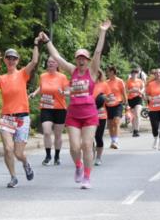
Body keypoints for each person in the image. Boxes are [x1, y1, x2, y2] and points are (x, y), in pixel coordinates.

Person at [39, 20, 110, 190]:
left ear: (88, 60)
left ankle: (87, 177)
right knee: (74, 147)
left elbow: (98, 51)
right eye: (79, 58)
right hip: (73, 115)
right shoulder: (72, 71)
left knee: (87, 145)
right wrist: (47, 41)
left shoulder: (92, 72)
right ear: (76, 60)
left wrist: (102, 32)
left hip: (90, 114)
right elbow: (57, 57)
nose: (81, 60)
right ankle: (78, 166)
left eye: (84, 58)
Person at [0, 41, 41, 188]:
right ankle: (13, 177)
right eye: (8, 58)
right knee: (7, 148)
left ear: (17, 61)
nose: (11, 61)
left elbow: (34, 61)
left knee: (18, 153)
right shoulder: (2, 78)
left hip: (22, 117)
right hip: (7, 118)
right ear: (4, 60)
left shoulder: (22, 73)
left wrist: (36, 43)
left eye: (14, 58)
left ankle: (25, 163)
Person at [30, 57, 69, 166]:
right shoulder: (43, 76)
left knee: (58, 135)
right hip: (46, 107)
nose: (50, 63)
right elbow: (41, 87)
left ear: (57, 64)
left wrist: (63, 93)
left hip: (60, 109)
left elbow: (68, 91)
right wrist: (34, 93)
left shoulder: (62, 77)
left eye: (53, 62)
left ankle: (57, 156)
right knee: (47, 132)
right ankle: (48, 156)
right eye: (49, 62)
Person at [103, 66, 126, 149]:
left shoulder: (120, 81)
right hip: (108, 105)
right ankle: (112, 140)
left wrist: (126, 103)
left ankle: (115, 141)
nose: (107, 73)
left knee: (116, 122)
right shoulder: (105, 82)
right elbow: (103, 93)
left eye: (108, 71)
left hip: (118, 104)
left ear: (112, 72)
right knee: (110, 124)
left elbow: (124, 93)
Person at [93, 70, 109, 166]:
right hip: (88, 113)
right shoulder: (87, 84)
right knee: (89, 137)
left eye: (97, 72)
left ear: (99, 74)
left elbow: (110, 98)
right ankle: (90, 153)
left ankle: (98, 157)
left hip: (101, 114)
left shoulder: (104, 84)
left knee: (98, 137)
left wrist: (105, 98)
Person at [126, 68, 145, 137]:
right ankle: (134, 130)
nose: (134, 75)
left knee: (137, 113)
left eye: (136, 73)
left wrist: (140, 91)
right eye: (133, 73)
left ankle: (137, 130)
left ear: (137, 74)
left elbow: (143, 88)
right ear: (131, 74)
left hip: (138, 98)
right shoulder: (128, 81)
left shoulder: (140, 81)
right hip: (130, 99)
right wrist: (131, 90)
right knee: (133, 116)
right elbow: (126, 90)